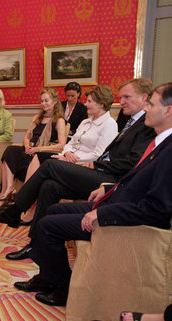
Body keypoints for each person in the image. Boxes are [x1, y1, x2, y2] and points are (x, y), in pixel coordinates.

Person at [12, 82, 172, 307]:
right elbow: (135, 180)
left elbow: (156, 208)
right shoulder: (159, 142)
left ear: (168, 110)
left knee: (48, 223)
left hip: (126, 218)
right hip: (116, 197)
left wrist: (103, 215)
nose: (147, 108)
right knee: (52, 206)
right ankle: (48, 278)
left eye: (152, 104)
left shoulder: (167, 150)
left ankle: (63, 287)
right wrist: (108, 189)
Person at [0, 78, 156, 261]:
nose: (122, 102)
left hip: (109, 178)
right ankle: (35, 245)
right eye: (121, 97)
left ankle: (15, 210)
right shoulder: (128, 120)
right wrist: (68, 154)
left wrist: (94, 164)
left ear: (144, 97)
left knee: (49, 164)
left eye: (127, 97)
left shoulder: (146, 124)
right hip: (97, 169)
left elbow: (131, 163)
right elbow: (73, 144)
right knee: (49, 186)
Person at [6, 85, 118, 224]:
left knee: (47, 163)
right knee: (48, 182)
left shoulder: (109, 124)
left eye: (89, 101)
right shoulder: (86, 122)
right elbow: (69, 143)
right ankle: (36, 225)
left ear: (101, 103)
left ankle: (17, 207)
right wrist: (67, 152)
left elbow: (98, 155)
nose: (85, 104)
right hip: (69, 158)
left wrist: (71, 157)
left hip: (84, 165)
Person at [0, 88, 66, 209]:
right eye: (42, 101)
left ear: (55, 101)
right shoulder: (37, 117)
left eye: (46, 100)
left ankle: (7, 194)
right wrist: (27, 145)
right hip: (29, 149)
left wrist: (38, 149)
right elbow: (27, 136)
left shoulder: (59, 120)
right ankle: (8, 188)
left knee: (15, 155)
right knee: (10, 150)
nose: (43, 103)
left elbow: (61, 144)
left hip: (41, 153)